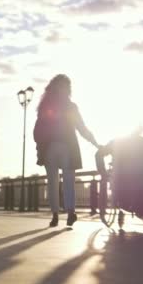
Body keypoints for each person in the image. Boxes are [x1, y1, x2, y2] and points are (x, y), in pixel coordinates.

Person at [33, 74, 100, 227]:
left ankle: (55, 215)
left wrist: (41, 145)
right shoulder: (70, 107)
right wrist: (95, 143)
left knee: (52, 183)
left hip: (49, 149)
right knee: (69, 181)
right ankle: (70, 213)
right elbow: (82, 128)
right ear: (67, 88)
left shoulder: (45, 106)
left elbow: (37, 131)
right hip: (67, 148)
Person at [95, 125, 143, 224]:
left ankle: (135, 207)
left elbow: (98, 154)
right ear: (141, 131)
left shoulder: (116, 142)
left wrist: (103, 173)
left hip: (120, 182)